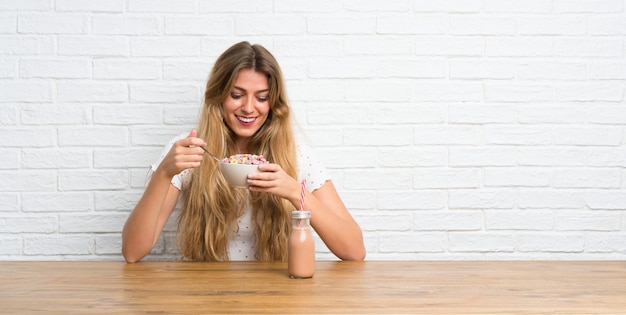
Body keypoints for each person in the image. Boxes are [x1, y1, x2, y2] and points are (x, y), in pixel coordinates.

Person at [122, 41, 366, 263]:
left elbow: (354, 251)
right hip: (205, 295)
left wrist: (294, 191)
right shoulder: (190, 150)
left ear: (273, 103)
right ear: (218, 96)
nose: (249, 108)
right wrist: (165, 172)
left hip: (275, 296)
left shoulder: (297, 156)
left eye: (261, 98)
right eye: (236, 95)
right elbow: (133, 252)